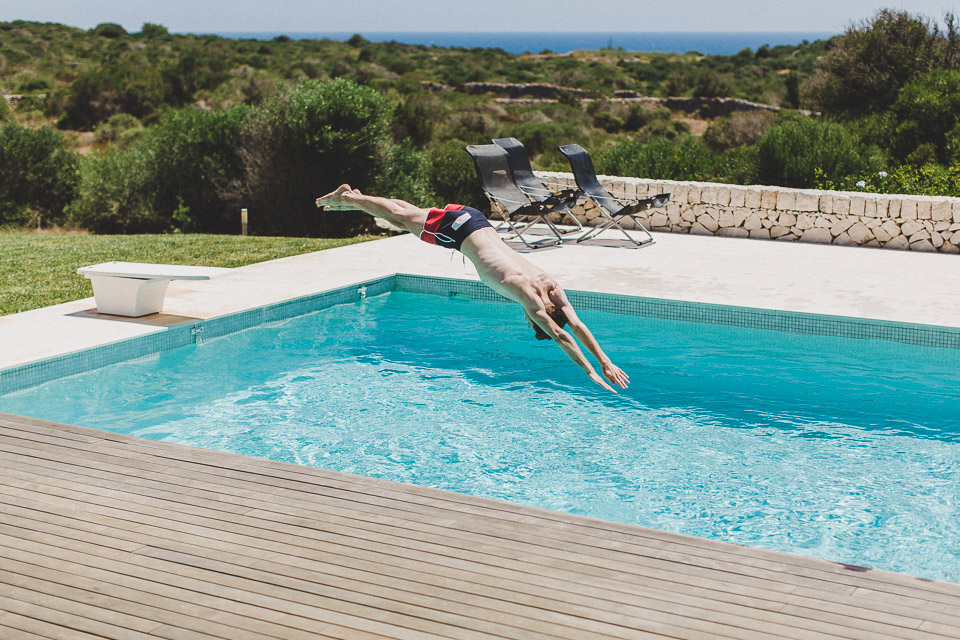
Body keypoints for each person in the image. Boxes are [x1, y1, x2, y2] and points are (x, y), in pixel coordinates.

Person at [316, 185, 630, 393]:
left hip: (476, 223)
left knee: (406, 218)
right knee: (401, 216)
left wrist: (606, 360)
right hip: (461, 231)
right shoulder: (528, 298)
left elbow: (575, 324)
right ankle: (348, 198)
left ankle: (355, 199)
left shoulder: (548, 284)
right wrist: (591, 370)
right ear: (536, 320)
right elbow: (562, 334)